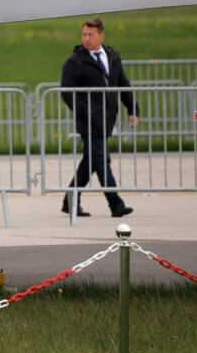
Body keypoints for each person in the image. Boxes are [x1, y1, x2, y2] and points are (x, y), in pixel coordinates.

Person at [60, 17, 139, 218]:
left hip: (107, 120)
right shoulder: (74, 62)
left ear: (101, 35)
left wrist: (133, 109)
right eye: (84, 34)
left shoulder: (112, 57)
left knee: (91, 161)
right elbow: (67, 93)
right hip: (87, 122)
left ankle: (70, 200)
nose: (86, 38)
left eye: (91, 34)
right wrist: (85, 112)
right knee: (102, 160)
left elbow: (123, 84)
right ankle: (116, 204)